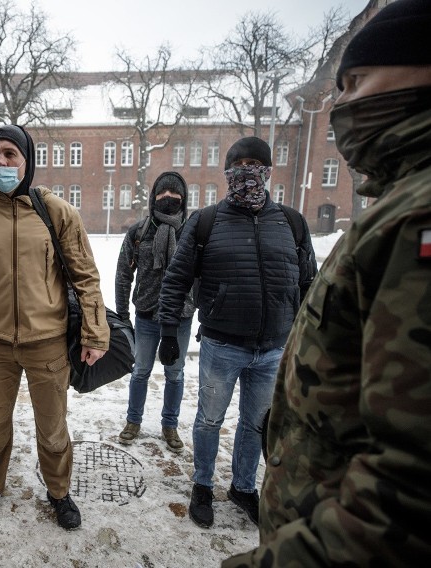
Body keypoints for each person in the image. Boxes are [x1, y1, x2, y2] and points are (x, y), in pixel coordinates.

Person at [225, 1, 431, 565]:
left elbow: (413, 485)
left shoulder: (415, 217)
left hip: (335, 535)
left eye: (357, 81)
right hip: (227, 349)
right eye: (339, 86)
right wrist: (297, 412)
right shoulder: (395, 202)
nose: (342, 105)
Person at [0, 124, 109, 530]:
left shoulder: (55, 211)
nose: (0, 162)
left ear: (27, 161)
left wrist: (95, 332)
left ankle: (59, 492)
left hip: (47, 344)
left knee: (53, 430)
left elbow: (85, 275)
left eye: (10, 155)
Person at [158, 136, 317, 529]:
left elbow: (309, 285)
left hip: (273, 349)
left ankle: (244, 487)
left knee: (254, 424)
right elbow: (176, 279)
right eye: (240, 163)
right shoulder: (206, 220)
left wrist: (308, 340)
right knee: (210, 420)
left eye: (256, 163)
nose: (248, 171)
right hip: (221, 345)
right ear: (228, 171)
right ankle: (202, 485)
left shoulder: (292, 222)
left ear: (268, 171)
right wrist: (167, 329)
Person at [115, 172, 195, 451]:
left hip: (181, 316)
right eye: (162, 195)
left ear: (183, 199)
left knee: (175, 373)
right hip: (147, 314)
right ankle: (133, 420)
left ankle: (170, 425)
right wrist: (122, 313)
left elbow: (202, 275)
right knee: (141, 371)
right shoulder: (139, 232)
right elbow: (123, 273)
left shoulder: (192, 232)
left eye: (175, 195)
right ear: (153, 198)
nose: (168, 200)